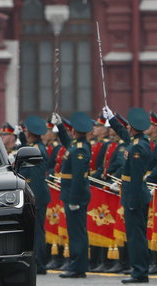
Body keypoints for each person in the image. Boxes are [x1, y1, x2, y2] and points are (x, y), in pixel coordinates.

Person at [105, 106, 153, 283]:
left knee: (136, 237)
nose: (126, 129)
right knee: (134, 236)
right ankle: (139, 270)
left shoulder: (138, 148)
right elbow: (123, 135)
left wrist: (131, 201)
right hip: (133, 195)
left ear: (132, 127)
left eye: (128, 126)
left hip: (135, 197)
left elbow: (136, 178)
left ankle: (140, 272)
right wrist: (111, 118)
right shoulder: (137, 142)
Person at [54, 112, 92, 278]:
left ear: (74, 130)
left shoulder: (80, 149)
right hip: (72, 193)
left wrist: (74, 200)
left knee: (77, 232)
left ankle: (78, 267)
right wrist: (60, 126)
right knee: (75, 231)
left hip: (75, 195)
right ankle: (76, 264)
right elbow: (67, 142)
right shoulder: (77, 145)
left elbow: (77, 177)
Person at [19, 115, 51, 275]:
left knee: (37, 231)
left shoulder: (37, 150)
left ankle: (40, 263)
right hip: (36, 193)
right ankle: (38, 261)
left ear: (30, 133)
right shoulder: (34, 146)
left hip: (37, 195)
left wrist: (33, 198)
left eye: (25, 131)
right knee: (35, 230)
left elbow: (37, 178)